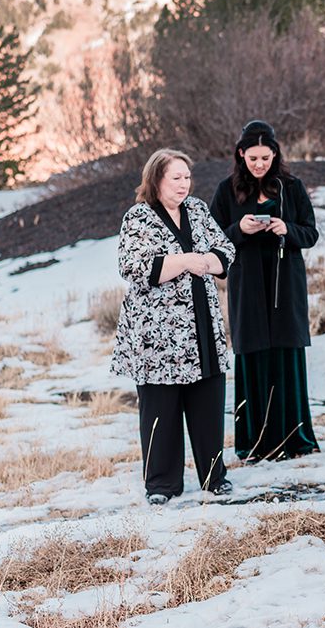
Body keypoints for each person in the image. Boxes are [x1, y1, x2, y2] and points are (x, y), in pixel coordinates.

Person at [110, 148, 236, 505]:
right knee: (161, 408)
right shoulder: (138, 218)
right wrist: (188, 260)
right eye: (175, 178)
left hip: (201, 324)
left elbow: (224, 252)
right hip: (157, 333)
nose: (183, 185)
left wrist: (204, 262)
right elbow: (136, 269)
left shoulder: (196, 209)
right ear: (156, 180)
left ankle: (214, 476)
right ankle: (162, 485)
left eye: (186, 178)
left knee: (208, 402)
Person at [211, 121, 320, 462]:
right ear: (241, 154)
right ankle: (254, 442)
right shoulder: (226, 191)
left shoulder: (292, 186)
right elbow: (212, 239)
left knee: (287, 357)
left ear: (276, 154)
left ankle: (294, 438)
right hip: (248, 288)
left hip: (285, 284)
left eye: (266, 157)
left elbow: (311, 234)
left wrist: (287, 228)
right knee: (253, 357)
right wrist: (238, 229)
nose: (260, 164)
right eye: (253, 158)